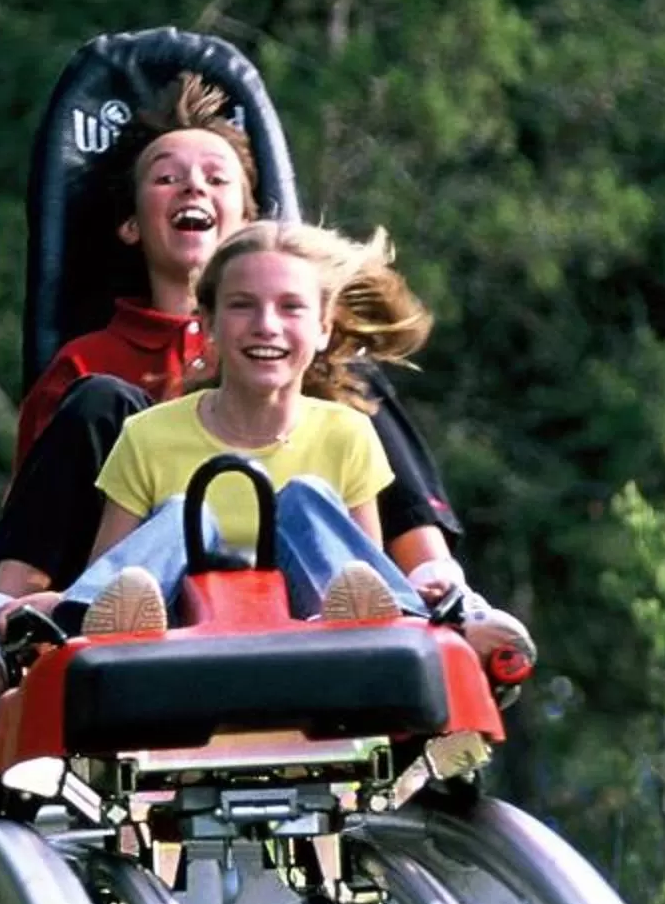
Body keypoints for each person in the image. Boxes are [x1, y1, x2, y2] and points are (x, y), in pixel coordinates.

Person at [0, 73, 487, 736]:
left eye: (216, 179)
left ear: (247, 219)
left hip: (296, 579)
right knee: (105, 404)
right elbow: (52, 508)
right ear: (132, 224)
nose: (193, 188)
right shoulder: (93, 369)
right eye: (167, 178)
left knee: (351, 388)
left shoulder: (307, 358)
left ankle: (443, 595)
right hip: (148, 585)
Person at [53, 222, 535, 678]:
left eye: (290, 308)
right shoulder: (148, 435)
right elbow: (112, 559)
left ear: (323, 328)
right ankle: (89, 615)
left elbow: (359, 549)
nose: (266, 325)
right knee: (185, 513)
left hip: (306, 625)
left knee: (306, 496)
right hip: (183, 627)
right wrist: (68, 602)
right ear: (209, 323)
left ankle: (383, 616)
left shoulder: (347, 433)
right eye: (242, 306)